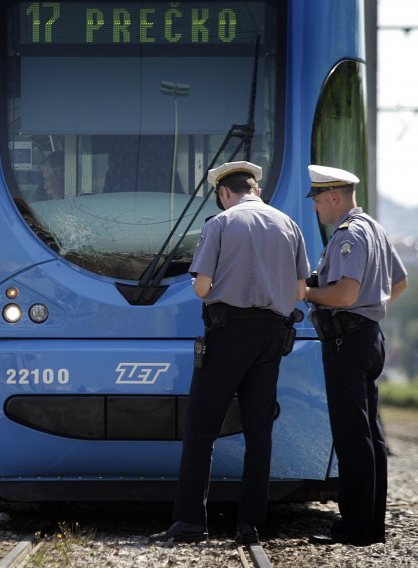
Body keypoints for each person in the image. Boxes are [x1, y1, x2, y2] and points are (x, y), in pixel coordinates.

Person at [158, 161, 310, 545]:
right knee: (259, 432)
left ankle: (191, 521)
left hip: (228, 334)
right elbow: (300, 291)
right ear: (256, 189)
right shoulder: (288, 225)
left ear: (225, 194)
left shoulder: (220, 225)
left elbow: (202, 287)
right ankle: (251, 526)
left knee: (202, 427)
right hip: (272, 336)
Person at [304, 165, 408, 546]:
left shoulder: (350, 234)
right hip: (367, 338)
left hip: (348, 342)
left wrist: (306, 293)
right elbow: (400, 283)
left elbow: (345, 295)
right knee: (371, 436)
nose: (315, 207)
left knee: (352, 436)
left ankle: (355, 528)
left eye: (317, 199)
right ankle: (369, 526)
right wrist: (372, 309)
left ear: (334, 196)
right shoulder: (375, 229)